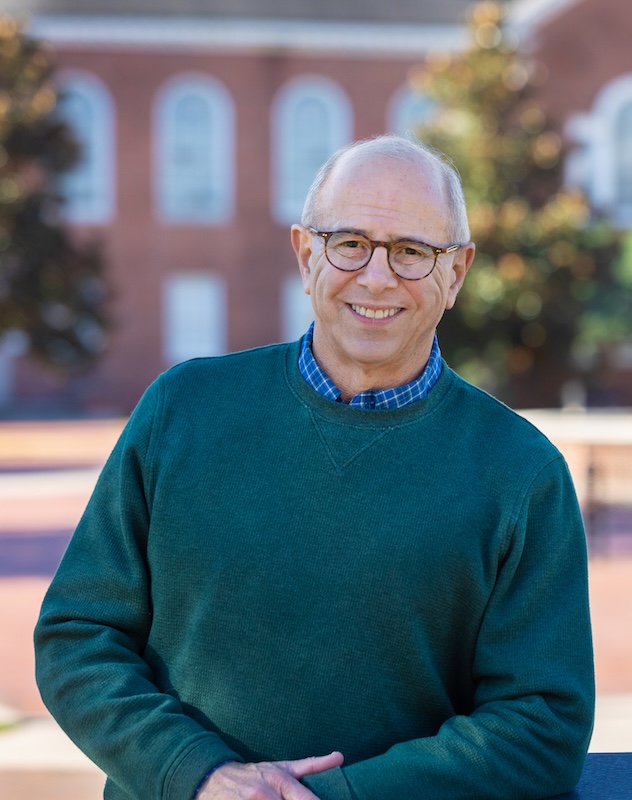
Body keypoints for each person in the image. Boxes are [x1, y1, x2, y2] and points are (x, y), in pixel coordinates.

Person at [34, 134, 595, 800]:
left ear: (457, 273)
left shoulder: (521, 473)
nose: (377, 276)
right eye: (349, 243)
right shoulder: (182, 410)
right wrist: (199, 774)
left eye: (413, 251)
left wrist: (332, 798)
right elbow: (79, 637)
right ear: (306, 254)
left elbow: (542, 726)